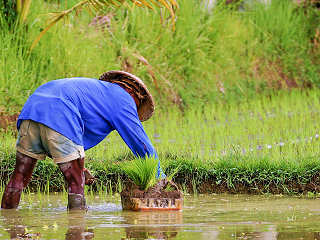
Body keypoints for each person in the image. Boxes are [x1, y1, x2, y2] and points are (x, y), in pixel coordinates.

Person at [1, 70, 164, 210]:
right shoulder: (123, 98)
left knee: (19, 177)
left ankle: (7, 219)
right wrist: (161, 180)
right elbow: (142, 145)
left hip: (32, 110)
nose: (134, 110)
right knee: (76, 183)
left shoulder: (94, 92)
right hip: (60, 112)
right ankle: (77, 227)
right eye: (138, 105)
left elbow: (55, 138)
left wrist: (78, 165)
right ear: (133, 93)